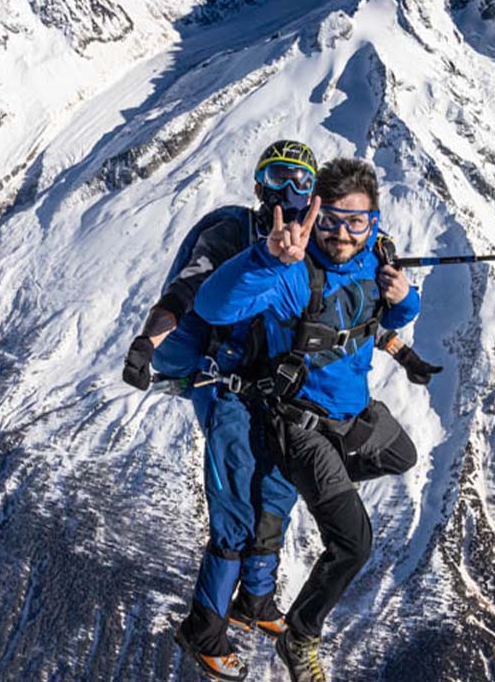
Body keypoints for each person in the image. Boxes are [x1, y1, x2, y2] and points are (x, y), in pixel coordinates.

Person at [195, 158, 424, 682]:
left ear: (374, 222)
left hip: (351, 417)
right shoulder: (292, 274)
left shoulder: (374, 259)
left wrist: (404, 297)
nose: (342, 234)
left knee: (400, 454)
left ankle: (311, 479)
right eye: (331, 221)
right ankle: (301, 636)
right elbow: (213, 305)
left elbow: (391, 317)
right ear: (314, 215)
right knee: (353, 543)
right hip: (300, 426)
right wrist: (267, 260)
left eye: (356, 222)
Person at [122, 140, 321, 682]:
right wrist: (148, 342)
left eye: (302, 181)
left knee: (277, 492)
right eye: (279, 177)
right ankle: (204, 631)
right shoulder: (230, 234)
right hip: (226, 386)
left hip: (278, 393)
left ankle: (255, 601)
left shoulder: (316, 245)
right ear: (260, 186)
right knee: (235, 508)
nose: (290, 191)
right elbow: (187, 292)